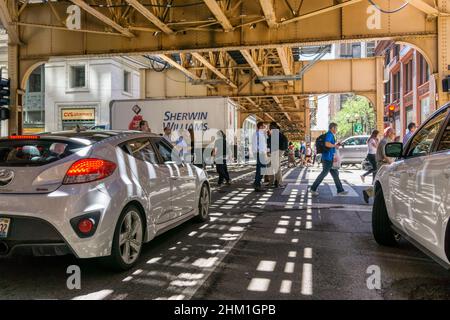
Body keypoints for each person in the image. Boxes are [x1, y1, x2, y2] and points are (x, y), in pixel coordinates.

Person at [310, 123, 348, 196]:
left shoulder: (330, 135)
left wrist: (336, 145)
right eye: (336, 128)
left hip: (329, 157)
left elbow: (330, 145)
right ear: (332, 128)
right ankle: (313, 188)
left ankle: (340, 190)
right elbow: (327, 144)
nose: (336, 130)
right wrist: (334, 145)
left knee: (335, 174)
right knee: (324, 174)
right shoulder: (329, 134)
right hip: (327, 158)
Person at [362, 127, 396, 203]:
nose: (394, 135)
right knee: (383, 183)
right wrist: (392, 163)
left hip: (385, 164)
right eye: (393, 133)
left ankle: (368, 193)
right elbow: (385, 155)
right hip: (384, 164)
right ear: (389, 133)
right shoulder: (385, 142)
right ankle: (370, 194)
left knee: (384, 183)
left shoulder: (388, 141)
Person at [267, 122, 286, 188]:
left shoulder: (274, 133)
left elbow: (269, 143)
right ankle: (275, 182)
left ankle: (278, 182)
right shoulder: (278, 133)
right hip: (278, 151)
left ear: (273, 126)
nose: (269, 127)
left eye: (270, 126)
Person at [252, 122, 268, 192]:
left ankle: (257, 183)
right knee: (262, 168)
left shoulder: (259, 134)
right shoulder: (258, 134)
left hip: (259, 153)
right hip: (260, 153)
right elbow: (258, 145)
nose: (265, 128)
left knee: (259, 169)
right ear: (261, 127)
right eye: (264, 126)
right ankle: (257, 184)